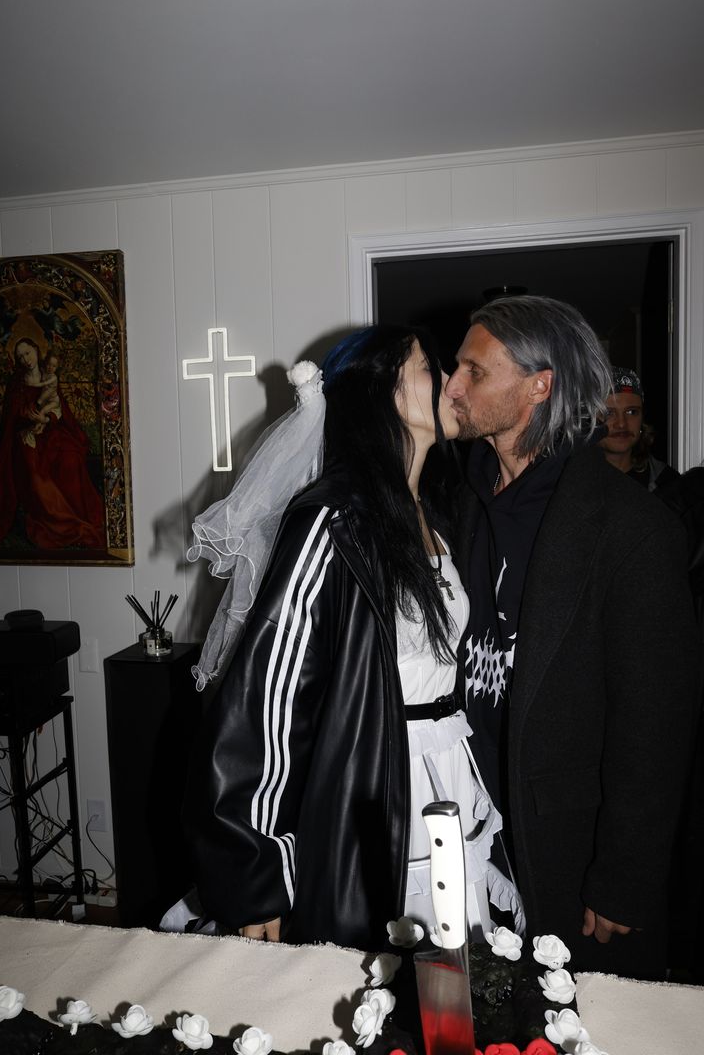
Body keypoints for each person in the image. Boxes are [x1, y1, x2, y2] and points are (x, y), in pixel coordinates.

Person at [180, 326, 521, 951]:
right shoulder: (332, 520)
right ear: (380, 394)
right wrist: (255, 866)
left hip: (449, 777)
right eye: (428, 369)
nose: (448, 382)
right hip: (376, 786)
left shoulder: (436, 514)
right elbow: (269, 702)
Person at [446, 295, 700, 979]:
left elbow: (655, 724)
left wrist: (624, 874)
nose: (453, 384)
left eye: (475, 370)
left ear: (540, 384)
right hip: (467, 841)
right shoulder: (460, 501)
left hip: (569, 851)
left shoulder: (631, 530)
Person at [0, 337, 105, 550]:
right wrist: (27, 422)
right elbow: (11, 419)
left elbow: (60, 410)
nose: (25, 359)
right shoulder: (17, 384)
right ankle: (58, 521)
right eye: (20, 357)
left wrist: (46, 419)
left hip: (53, 433)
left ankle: (79, 517)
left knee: (70, 459)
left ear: (36, 350)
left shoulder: (49, 377)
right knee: (33, 468)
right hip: (25, 435)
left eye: (28, 353)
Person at [598, 365, 680, 493]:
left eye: (631, 412)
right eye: (609, 413)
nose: (621, 424)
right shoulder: (567, 481)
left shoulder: (668, 484)